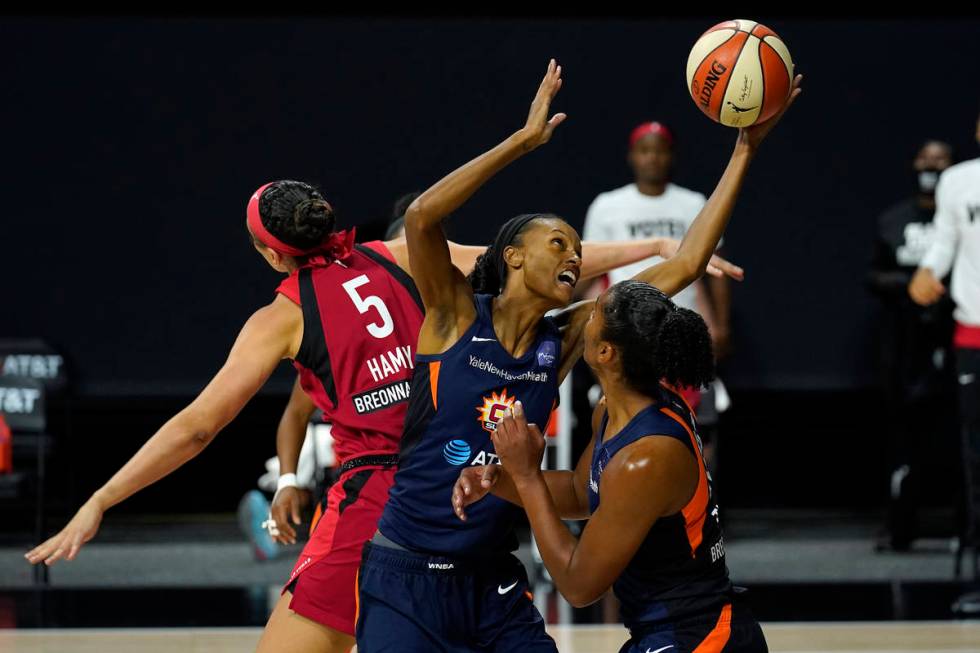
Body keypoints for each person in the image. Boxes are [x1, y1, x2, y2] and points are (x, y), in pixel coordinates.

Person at [26, 177, 703, 652]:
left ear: (270, 252)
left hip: (380, 503)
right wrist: (657, 250)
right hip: (463, 480)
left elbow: (199, 426)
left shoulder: (283, 314)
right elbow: (518, 264)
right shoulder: (395, 257)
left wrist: (101, 498)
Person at [356, 59, 789, 653]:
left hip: (490, 578)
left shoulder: (564, 338)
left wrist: (744, 150)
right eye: (558, 242)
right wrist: (523, 141)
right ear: (511, 255)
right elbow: (424, 218)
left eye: (578, 248)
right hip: (407, 569)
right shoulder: (453, 316)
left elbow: (686, 263)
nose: (574, 256)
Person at [869, 140, 955, 551]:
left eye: (941, 159)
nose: (932, 165)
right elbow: (874, 276)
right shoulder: (894, 220)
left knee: (959, 432)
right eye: (925, 157)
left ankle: (964, 526)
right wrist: (913, 284)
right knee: (903, 437)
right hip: (904, 345)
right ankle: (900, 526)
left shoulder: (958, 216)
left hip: (954, 336)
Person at [909, 110, 980, 583]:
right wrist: (928, 271)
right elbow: (946, 241)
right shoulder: (957, 181)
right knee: (975, 454)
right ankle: (977, 570)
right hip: (972, 332)